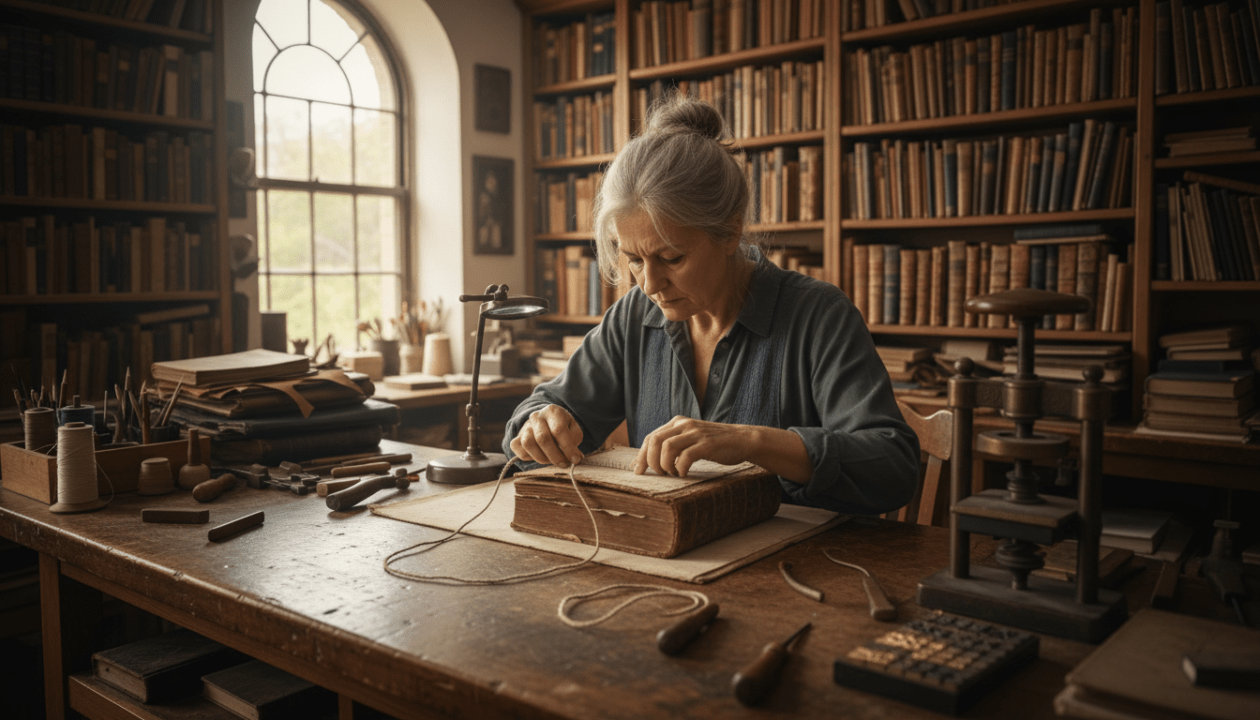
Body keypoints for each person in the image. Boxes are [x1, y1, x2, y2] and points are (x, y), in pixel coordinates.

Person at [503, 95, 919, 515]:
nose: (649, 284)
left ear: (730, 231)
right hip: (669, 561)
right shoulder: (634, 316)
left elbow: (894, 467)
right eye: (633, 259)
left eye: (671, 258)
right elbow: (534, 417)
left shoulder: (818, 315)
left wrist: (751, 442)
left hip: (802, 568)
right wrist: (540, 424)